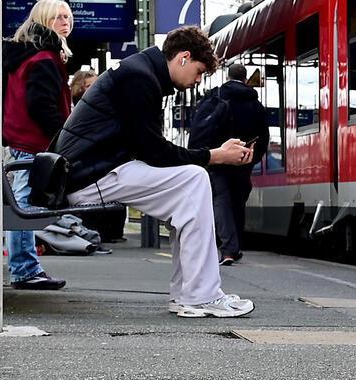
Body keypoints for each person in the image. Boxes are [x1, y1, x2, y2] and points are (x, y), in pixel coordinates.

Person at [52, 26, 256, 318]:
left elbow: (152, 148)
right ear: (184, 57)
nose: (197, 81)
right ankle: (200, 295)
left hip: (92, 169)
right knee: (195, 179)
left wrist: (209, 156)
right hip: (90, 175)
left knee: (187, 190)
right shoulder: (140, 78)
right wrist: (216, 156)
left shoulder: (141, 72)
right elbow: (155, 152)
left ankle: (191, 294)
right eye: (198, 72)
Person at [1, 0, 74, 291]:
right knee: (24, 206)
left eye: (68, 16)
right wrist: (61, 136)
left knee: (21, 203)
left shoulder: (24, 55)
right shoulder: (44, 58)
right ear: (43, 21)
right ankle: (24, 269)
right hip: (33, 141)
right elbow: (41, 105)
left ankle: (25, 266)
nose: (65, 22)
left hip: (19, 137)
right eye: (58, 17)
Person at [189, 64, 269, 266]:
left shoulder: (216, 98)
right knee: (238, 201)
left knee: (221, 201)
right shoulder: (255, 104)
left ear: (228, 76)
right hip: (243, 161)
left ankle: (228, 249)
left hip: (219, 158)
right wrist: (252, 157)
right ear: (245, 79)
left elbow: (203, 130)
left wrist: (208, 155)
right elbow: (264, 137)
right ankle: (235, 246)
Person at [66, 68, 127, 244]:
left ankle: (110, 232)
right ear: (79, 88)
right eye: (89, 85)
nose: (95, 88)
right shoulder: (80, 111)